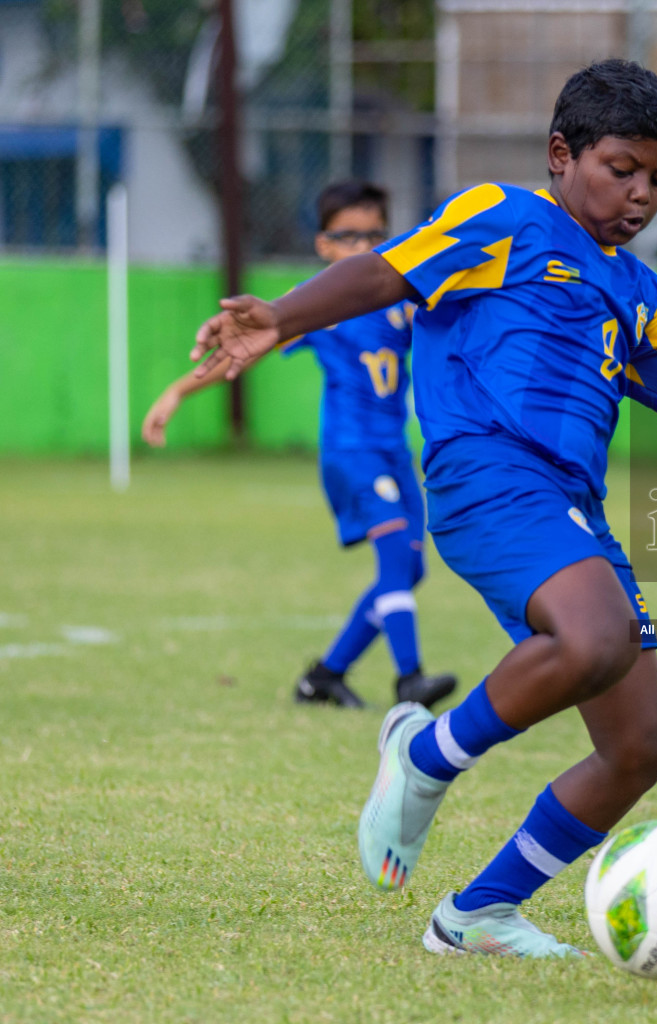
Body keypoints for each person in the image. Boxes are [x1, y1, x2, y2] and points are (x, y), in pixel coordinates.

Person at [187, 60, 657, 957]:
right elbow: (385, 274)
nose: (641, 196)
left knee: (640, 746)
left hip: (570, 510)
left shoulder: (640, 293)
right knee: (591, 640)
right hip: (486, 473)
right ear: (562, 154)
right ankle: (425, 756)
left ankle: (476, 914)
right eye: (622, 168)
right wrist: (282, 317)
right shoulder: (506, 219)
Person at [143, 180, 457, 711]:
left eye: (376, 234)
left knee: (412, 568)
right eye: (349, 236)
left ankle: (324, 677)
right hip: (351, 451)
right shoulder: (320, 306)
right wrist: (178, 390)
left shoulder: (397, 298)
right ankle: (409, 680)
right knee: (393, 563)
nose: (364, 246)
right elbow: (246, 348)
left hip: (394, 453)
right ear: (324, 245)